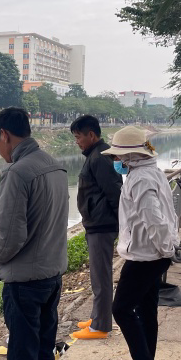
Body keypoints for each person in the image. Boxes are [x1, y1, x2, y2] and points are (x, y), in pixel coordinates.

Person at [0, 107, 69, 360]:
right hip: (52, 275)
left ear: (4, 134)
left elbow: (9, 238)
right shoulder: (55, 165)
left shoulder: (18, 173)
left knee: (23, 356)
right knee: (43, 350)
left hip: (24, 282)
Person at [101, 126, 179, 360]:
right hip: (153, 252)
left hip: (147, 255)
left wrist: (163, 249)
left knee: (121, 309)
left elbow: (154, 218)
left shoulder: (140, 179)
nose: (116, 163)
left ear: (131, 156)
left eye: (118, 158)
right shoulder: (149, 172)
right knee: (146, 308)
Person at [70, 115, 123, 340]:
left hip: (102, 225)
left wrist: (119, 222)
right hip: (96, 224)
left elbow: (114, 192)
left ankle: (101, 326)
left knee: (101, 277)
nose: (77, 141)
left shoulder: (100, 157)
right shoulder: (94, 154)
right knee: (96, 275)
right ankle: (96, 316)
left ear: (91, 135)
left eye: (78, 136)